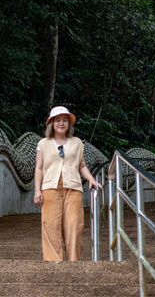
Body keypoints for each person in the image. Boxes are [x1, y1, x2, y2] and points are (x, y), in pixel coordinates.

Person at [33, 106, 103, 261]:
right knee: (50, 225)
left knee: (74, 225)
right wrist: (37, 190)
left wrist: (91, 179)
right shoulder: (43, 144)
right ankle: (54, 262)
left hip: (73, 189)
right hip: (50, 188)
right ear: (51, 124)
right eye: (57, 120)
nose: (61, 123)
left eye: (64, 120)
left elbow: (82, 166)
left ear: (69, 124)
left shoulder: (77, 143)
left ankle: (73, 262)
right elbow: (39, 168)